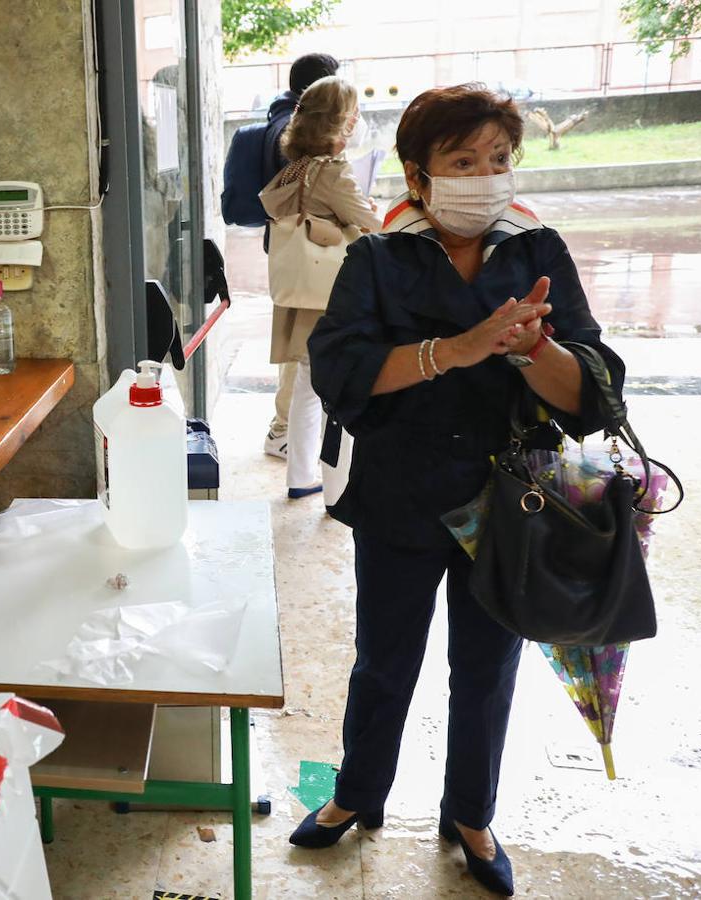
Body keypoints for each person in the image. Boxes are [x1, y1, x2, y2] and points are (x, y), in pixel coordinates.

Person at [294, 84, 625, 897]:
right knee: (384, 662)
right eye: (464, 160)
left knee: (486, 667)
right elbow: (340, 370)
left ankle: (471, 817)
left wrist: (529, 352)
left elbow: (594, 387)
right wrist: (459, 348)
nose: (486, 175)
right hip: (400, 494)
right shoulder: (379, 255)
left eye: (499, 159)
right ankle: (354, 796)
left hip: (510, 499)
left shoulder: (536, 248)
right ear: (419, 172)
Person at [259, 76, 380, 499]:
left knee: (309, 390)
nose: (358, 124)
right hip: (331, 296)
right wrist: (367, 212)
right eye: (354, 116)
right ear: (340, 123)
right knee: (336, 393)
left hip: (302, 293)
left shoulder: (295, 167)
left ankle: (300, 478)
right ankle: (336, 490)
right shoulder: (333, 172)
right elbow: (372, 224)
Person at [260, 53, 340, 461]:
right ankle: (283, 432)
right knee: (301, 359)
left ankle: (284, 431)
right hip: (313, 262)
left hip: (289, 253)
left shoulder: (277, 127)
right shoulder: (305, 144)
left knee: (296, 353)